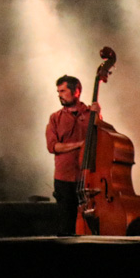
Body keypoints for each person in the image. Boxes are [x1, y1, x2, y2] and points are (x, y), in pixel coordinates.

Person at [44, 74, 107, 236]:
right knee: (65, 225)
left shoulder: (90, 114)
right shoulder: (55, 118)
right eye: (58, 92)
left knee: (95, 221)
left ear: (76, 91)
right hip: (64, 178)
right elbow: (53, 146)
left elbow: (103, 137)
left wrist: (98, 116)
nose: (60, 95)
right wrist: (79, 144)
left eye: (63, 91)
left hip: (89, 176)